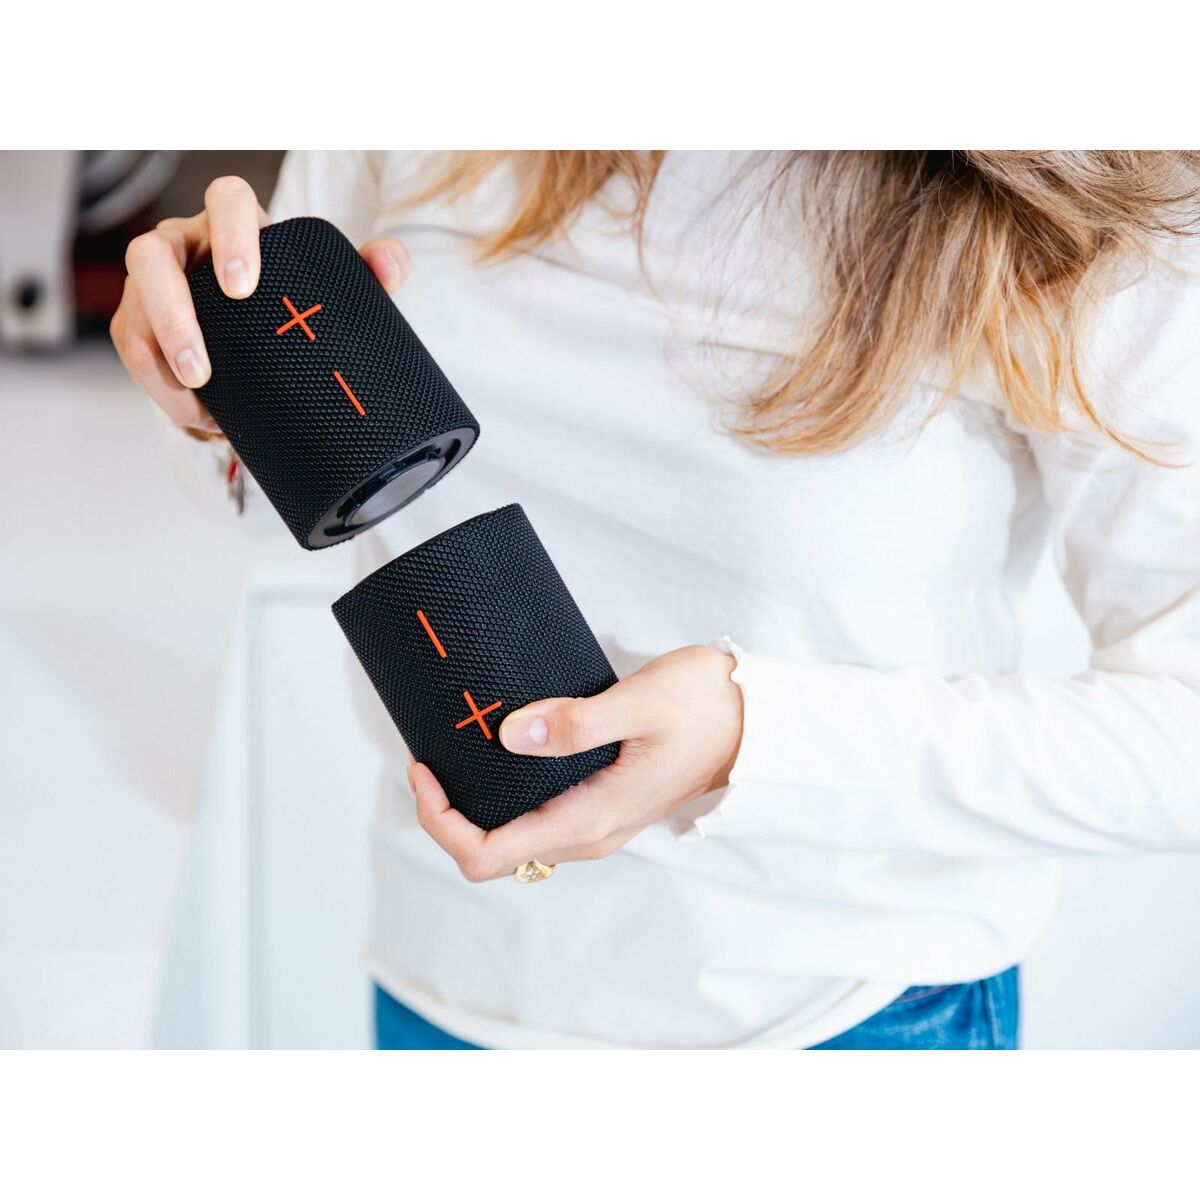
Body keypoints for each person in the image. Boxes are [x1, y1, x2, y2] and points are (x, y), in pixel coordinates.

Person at [111, 151, 1200, 1049]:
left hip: (844, 1015)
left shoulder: (1083, 209)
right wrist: (200, 374)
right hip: (449, 982)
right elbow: (266, 495)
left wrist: (755, 737)